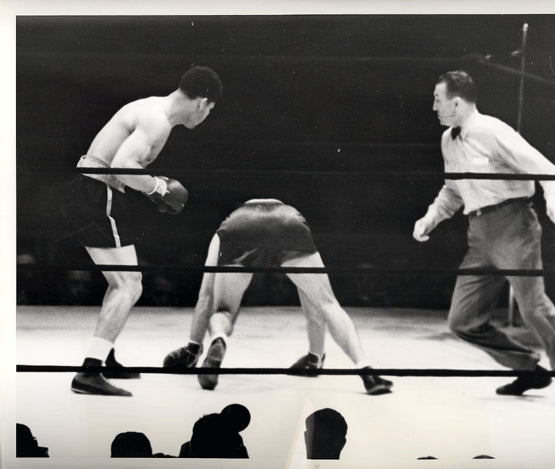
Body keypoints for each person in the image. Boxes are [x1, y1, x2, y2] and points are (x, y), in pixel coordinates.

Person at [413, 70, 555, 407]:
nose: (433, 106)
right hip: (478, 235)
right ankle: (529, 370)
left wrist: (554, 199)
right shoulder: (449, 139)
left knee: (533, 309)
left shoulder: (492, 132)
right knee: (462, 321)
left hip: (514, 227)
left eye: (438, 99)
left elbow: (545, 169)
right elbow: (453, 190)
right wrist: (430, 218)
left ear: (457, 101)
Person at [60, 65, 223, 396]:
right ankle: (88, 373)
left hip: (93, 190)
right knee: (129, 285)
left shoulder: (150, 106)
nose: (206, 117)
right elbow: (123, 165)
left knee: (119, 282)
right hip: (96, 192)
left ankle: (102, 357)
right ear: (202, 102)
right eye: (210, 110)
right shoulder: (157, 120)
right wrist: (158, 189)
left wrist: (152, 186)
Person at [163, 199, 393, 395]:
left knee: (222, 311)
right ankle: (367, 371)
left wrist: (192, 349)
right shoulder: (286, 210)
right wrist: (314, 358)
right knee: (327, 303)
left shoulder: (225, 228)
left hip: (240, 226)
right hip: (288, 221)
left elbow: (205, 296)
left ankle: (219, 339)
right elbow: (314, 308)